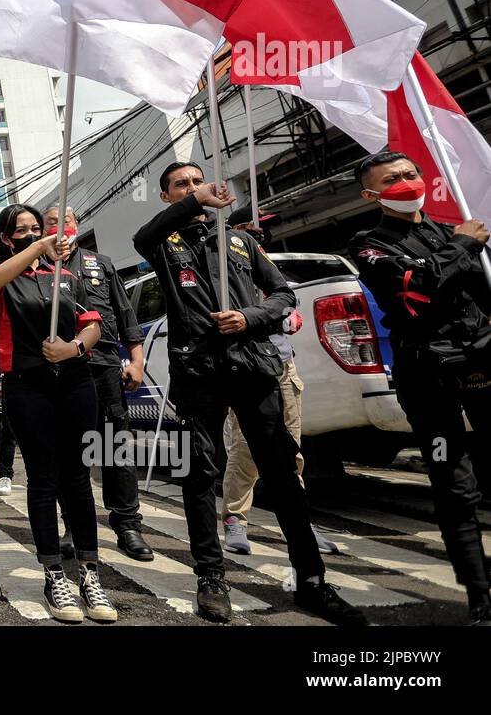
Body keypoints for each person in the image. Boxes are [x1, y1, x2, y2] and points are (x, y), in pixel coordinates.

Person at [132, 162, 365, 625]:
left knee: (282, 472)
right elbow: (142, 238)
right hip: (197, 372)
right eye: (182, 186)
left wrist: (249, 317)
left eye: (199, 182)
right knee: (200, 475)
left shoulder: (241, 241)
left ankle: (312, 581)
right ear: (167, 198)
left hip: (254, 366)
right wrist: (195, 204)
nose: (194, 189)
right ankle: (211, 578)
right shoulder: (163, 242)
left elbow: (283, 295)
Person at [349, 151, 491, 625]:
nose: (407, 183)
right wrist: (464, 248)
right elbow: (419, 288)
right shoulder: (369, 244)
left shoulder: (455, 231)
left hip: (482, 360)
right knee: (454, 484)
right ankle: (480, 596)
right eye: (393, 179)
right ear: (372, 194)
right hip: (427, 372)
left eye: (411, 174)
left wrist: (468, 248)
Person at [0, 204, 117, 622]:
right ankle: (53, 573)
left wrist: (74, 347)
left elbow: (92, 323)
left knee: (77, 478)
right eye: (20, 230)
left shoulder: (69, 276)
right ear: (6, 238)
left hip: (76, 381)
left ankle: (89, 575)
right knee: (42, 477)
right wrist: (39, 245)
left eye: (36, 228)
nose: (31, 234)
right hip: (27, 385)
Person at [220, 205, 338, 558]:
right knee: (246, 447)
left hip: (284, 365)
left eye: (262, 231)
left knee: (291, 448)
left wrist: (286, 315)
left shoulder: (275, 273)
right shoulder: (227, 270)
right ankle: (235, 518)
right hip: (248, 367)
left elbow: (289, 305)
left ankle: (299, 520)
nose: (259, 235)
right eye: (251, 229)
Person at [46, 205, 154, 562]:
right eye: (51, 223)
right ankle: (73, 524)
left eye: (67, 221)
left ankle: (127, 526)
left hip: (106, 364)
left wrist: (137, 361)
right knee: (71, 452)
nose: (60, 228)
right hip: (63, 369)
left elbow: (126, 315)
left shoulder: (100, 263)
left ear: (77, 226)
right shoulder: (40, 268)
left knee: (115, 448)